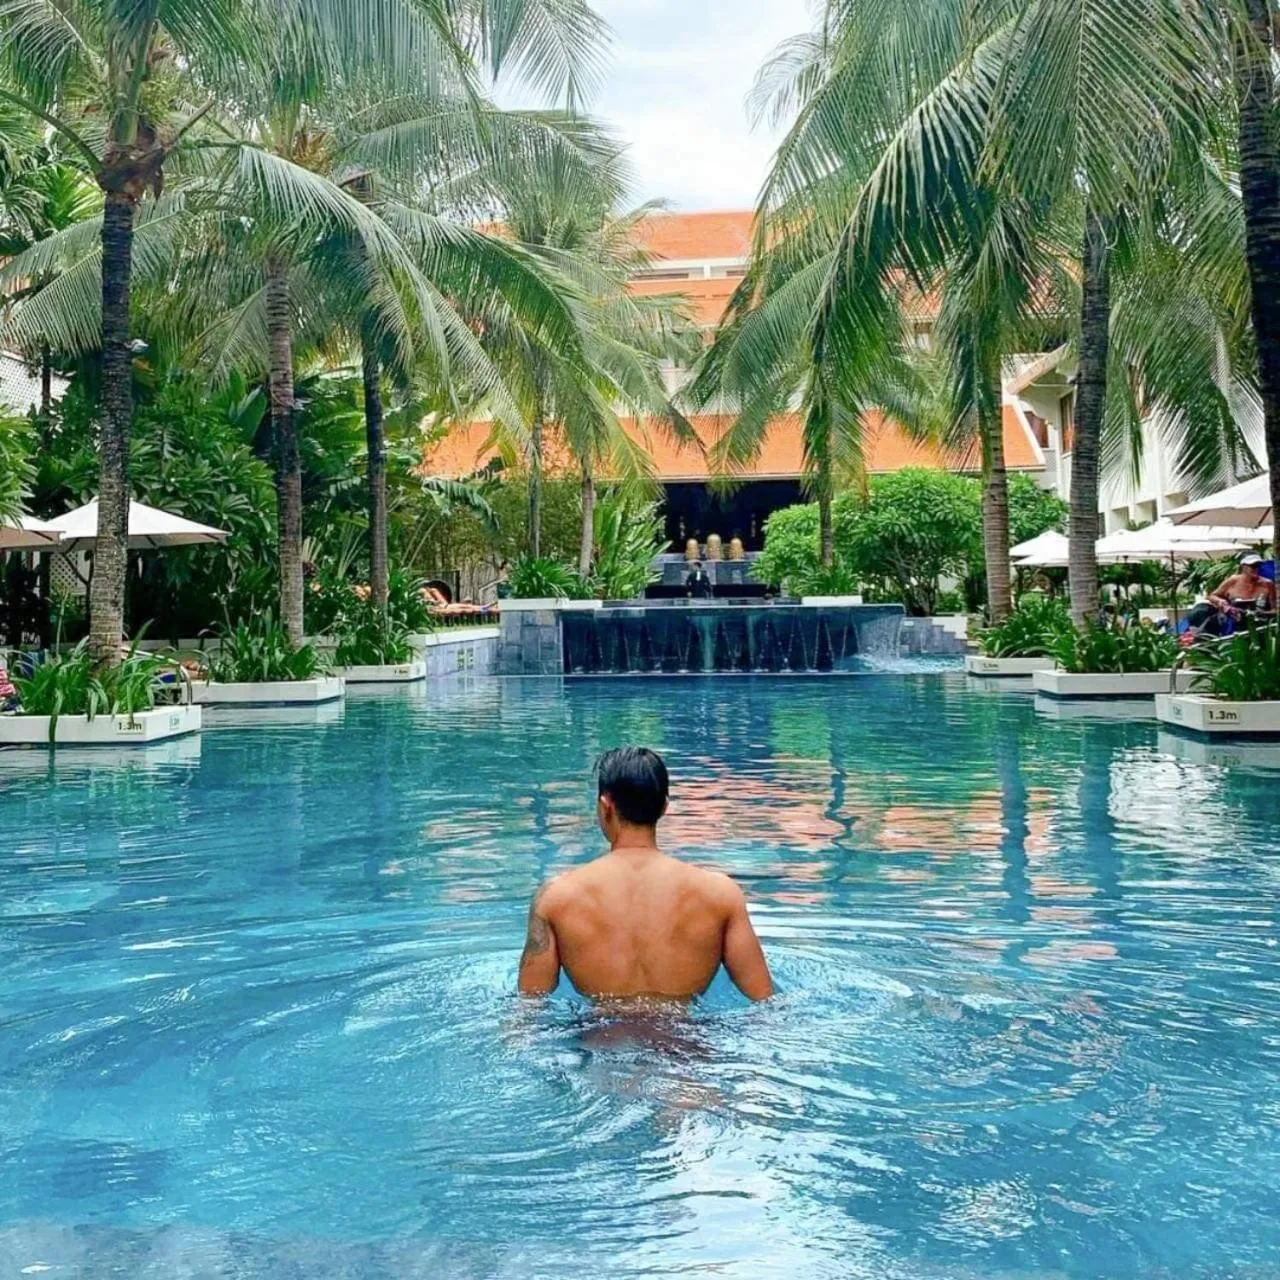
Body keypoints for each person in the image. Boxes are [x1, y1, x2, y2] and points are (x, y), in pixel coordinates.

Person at [517, 747, 774, 1002]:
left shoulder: (555, 897)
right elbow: (764, 1001)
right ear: (664, 807)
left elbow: (528, 1009)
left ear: (605, 805)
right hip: (686, 1040)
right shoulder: (721, 895)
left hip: (598, 1040)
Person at [1208, 554, 1276, 616]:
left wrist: (1263, 613)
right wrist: (1220, 601)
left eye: (1258, 566)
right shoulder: (1233, 580)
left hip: (1258, 621)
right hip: (1234, 618)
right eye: (1253, 566)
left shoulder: (1268, 584)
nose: (1256, 569)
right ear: (1244, 567)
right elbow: (1212, 596)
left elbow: (1275, 609)